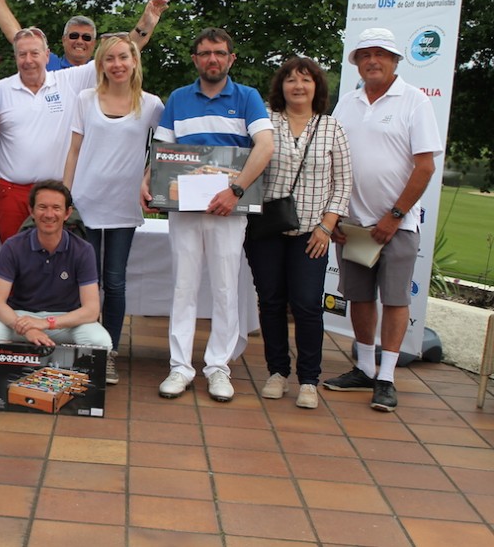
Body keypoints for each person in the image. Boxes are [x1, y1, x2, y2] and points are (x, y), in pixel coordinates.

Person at [0, 0, 175, 241]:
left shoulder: (70, 80)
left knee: (59, 267)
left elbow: (125, 49)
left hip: (58, 192)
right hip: (12, 193)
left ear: (46, 55)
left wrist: (152, 8)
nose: (29, 59)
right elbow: (18, 36)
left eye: (36, 53)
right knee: (15, 265)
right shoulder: (0, 88)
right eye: (22, 54)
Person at [148, 27, 274, 402]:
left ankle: (218, 367)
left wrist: (234, 191)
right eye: (205, 53)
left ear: (231, 58)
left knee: (224, 287)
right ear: (195, 59)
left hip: (228, 209)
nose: (213, 59)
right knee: (183, 287)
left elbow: (264, 146)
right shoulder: (179, 99)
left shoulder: (248, 97)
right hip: (184, 207)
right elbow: (162, 149)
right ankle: (180, 367)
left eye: (219, 53)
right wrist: (147, 180)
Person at [324, 28, 442, 412]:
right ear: (356, 62)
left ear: (394, 60)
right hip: (355, 226)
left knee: (393, 300)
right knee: (359, 296)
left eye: (380, 54)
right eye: (364, 55)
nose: (372, 61)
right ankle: (364, 367)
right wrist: (335, 215)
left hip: (397, 225)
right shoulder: (347, 104)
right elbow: (332, 163)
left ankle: (387, 377)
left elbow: (424, 167)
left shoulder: (414, 102)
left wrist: (395, 215)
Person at [244, 57, 351, 409]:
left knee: (306, 305)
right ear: (281, 86)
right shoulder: (265, 122)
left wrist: (327, 225)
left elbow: (343, 183)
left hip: (312, 233)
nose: (298, 86)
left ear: (317, 86)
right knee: (271, 302)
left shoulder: (331, 127)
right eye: (290, 80)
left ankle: (309, 379)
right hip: (267, 229)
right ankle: (277, 372)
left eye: (306, 80)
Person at [63, 34, 164, 384]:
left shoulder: (150, 104)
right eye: (109, 58)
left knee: (115, 282)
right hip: (86, 203)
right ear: (100, 64)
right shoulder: (86, 98)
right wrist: (65, 195)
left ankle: (108, 351)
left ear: (134, 61)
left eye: (123, 57)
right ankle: (85, 349)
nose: (117, 64)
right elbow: (74, 151)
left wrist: (148, 178)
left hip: (123, 206)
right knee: (84, 282)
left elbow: (165, 150)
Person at [0, 181, 111, 360]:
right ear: (31, 211)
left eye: (56, 208)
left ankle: (37, 358)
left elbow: (92, 309)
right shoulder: (13, 246)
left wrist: (46, 323)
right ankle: (29, 361)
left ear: (67, 213)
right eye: (42, 207)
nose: (49, 214)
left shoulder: (83, 250)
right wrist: (27, 328)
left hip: (66, 320)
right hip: (22, 317)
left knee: (102, 344)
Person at [0, 0, 179, 70]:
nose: (80, 41)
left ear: (94, 44)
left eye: (86, 37)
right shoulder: (49, 64)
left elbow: (135, 41)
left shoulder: (100, 67)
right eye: (74, 35)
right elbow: (17, 36)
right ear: (64, 40)